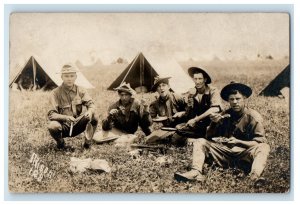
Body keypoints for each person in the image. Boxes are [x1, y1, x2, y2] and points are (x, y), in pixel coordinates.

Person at [175, 82, 270, 186]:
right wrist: (214, 123)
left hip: (244, 156)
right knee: (200, 141)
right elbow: (209, 137)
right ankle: (196, 172)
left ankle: (254, 176)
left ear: (244, 99)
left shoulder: (253, 117)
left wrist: (238, 142)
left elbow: (258, 142)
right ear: (228, 101)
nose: (235, 102)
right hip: (224, 154)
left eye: (238, 99)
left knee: (264, 147)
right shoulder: (224, 115)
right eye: (231, 99)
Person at [47, 64, 98, 150]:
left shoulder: (81, 90)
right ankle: (61, 143)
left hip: (77, 123)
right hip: (63, 126)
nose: (69, 78)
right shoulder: (55, 93)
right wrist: (65, 118)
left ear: (76, 77)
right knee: (52, 126)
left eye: (72, 76)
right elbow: (52, 115)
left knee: (94, 116)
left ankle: (87, 143)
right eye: (66, 76)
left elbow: (91, 104)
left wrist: (89, 112)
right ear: (61, 77)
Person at [176, 67, 222, 138]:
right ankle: (203, 136)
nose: (197, 82)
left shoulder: (213, 91)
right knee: (179, 128)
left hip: (212, 123)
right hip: (200, 124)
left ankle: (208, 135)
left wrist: (195, 120)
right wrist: (188, 107)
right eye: (195, 79)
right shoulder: (192, 93)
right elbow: (190, 114)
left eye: (200, 79)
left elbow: (215, 108)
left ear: (205, 80)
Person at [145, 76, 187, 145]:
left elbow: (190, 112)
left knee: (174, 140)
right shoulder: (155, 104)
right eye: (158, 86)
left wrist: (182, 113)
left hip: (181, 127)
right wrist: (145, 108)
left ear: (169, 87)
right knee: (149, 140)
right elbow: (150, 121)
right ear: (156, 90)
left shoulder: (177, 97)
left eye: (163, 85)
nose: (161, 88)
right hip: (166, 129)